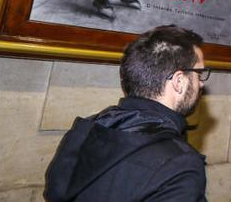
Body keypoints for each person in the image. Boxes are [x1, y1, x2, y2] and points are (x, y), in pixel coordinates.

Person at [45, 25, 209, 201]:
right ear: (178, 81)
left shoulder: (85, 131)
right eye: (199, 73)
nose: (201, 83)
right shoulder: (180, 165)